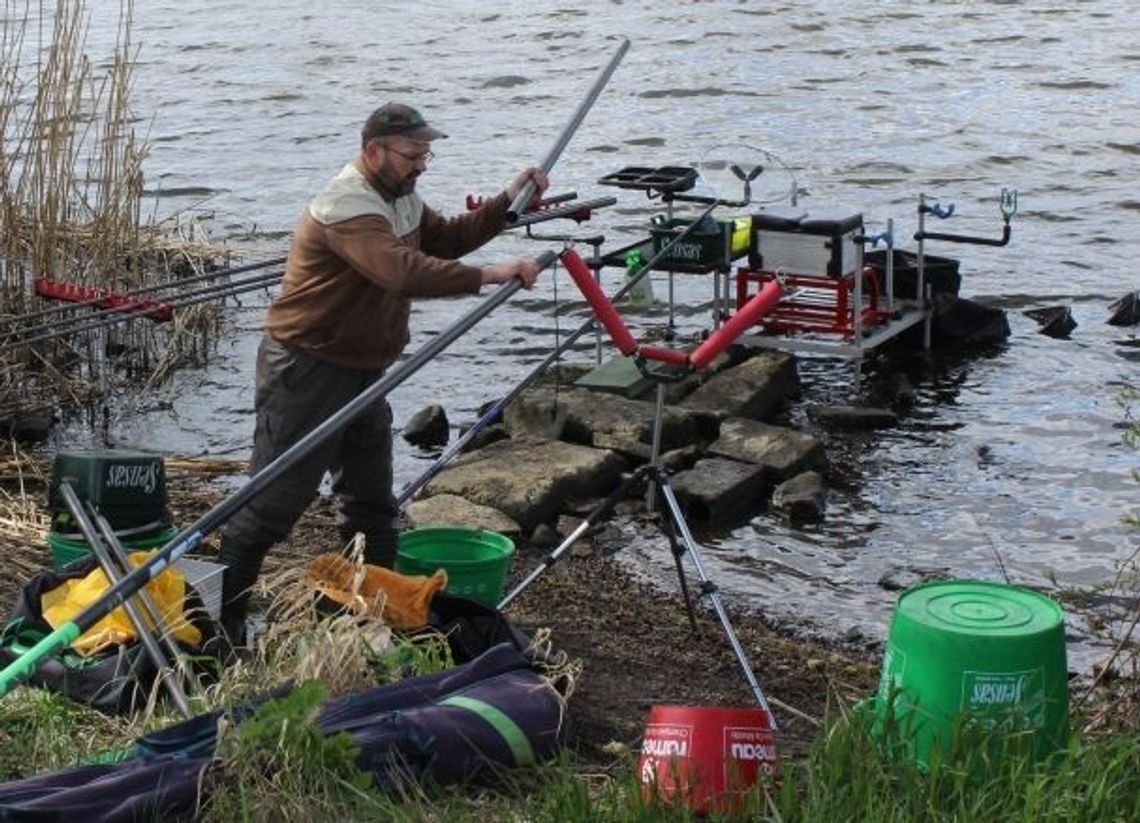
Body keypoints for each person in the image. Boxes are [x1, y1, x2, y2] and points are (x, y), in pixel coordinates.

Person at [217, 102, 549, 643]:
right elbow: (399, 271)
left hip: (363, 371)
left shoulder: (399, 199)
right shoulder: (347, 205)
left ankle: (368, 614)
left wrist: (507, 203)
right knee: (272, 504)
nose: (423, 164)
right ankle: (223, 620)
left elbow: (445, 238)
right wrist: (493, 274)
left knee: (372, 503)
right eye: (413, 154)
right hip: (305, 368)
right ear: (375, 150)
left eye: (427, 153)